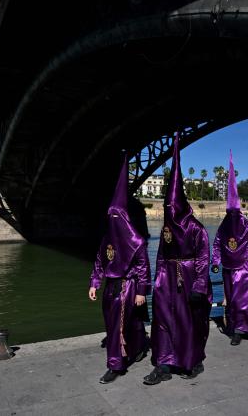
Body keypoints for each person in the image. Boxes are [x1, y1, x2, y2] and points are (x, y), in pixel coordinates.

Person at [144, 133, 212, 385]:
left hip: (189, 277)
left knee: (188, 321)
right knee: (162, 319)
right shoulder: (167, 227)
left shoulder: (196, 228)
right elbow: (162, 254)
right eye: (166, 209)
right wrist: (157, 280)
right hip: (167, 280)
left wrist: (199, 286)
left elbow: (204, 257)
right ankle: (162, 363)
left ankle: (190, 360)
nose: (169, 212)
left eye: (173, 209)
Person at [88, 154, 151, 384]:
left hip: (127, 287)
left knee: (118, 327)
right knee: (126, 324)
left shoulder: (136, 241)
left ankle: (115, 365)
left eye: (117, 215)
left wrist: (142, 292)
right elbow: (99, 262)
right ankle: (139, 346)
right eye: (110, 215)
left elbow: (143, 266)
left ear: (123, 217)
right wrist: (94, 283)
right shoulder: (107, 239)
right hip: (110, 287)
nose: (113, 219)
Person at [212, 151, 248, 345]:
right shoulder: (224, 225)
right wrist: (215, 262)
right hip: (228, 269)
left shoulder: (247, 225)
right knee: (232, 301)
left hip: (244, 269)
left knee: (246, 300)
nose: (232, 215)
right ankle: (235, 330)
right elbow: (217, 243)